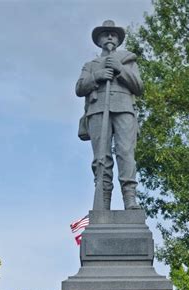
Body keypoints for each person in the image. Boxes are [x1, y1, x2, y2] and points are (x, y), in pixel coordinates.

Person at [76, 19, 143, 210]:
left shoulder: (128, 60)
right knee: (101, 157)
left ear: (118, 39)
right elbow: (79, 88)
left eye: (113, 34)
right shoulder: (91, 65)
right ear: (99, 40)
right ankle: (103, 202)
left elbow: (138, 87)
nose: (110, 36)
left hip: (124, 108)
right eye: (106, 34)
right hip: (97, 110)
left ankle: (130, 199)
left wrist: (119, 69)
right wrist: (96, 77)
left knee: (126, 153)